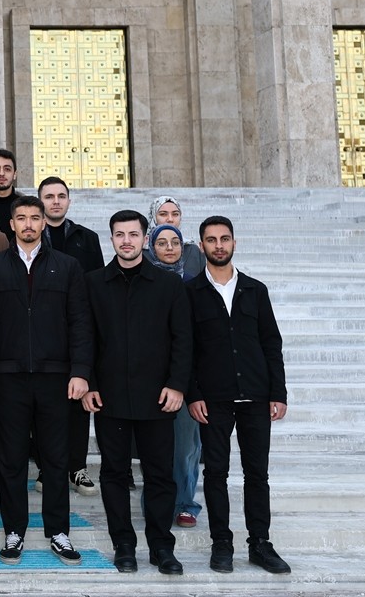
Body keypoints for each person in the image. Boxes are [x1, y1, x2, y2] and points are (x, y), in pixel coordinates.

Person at [0, 196, 91, 566]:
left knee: (56, 459)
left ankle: (58, 531)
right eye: (21, 218)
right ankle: (14, 532)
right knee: (10, 461)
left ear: (44, 223)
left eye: (34, 218)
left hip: (56, 378)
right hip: (8, 380)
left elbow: (80, 323)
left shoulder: (67, 266)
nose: (28, 224)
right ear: (10, 224)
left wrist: (80, 372)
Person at [83, 211, 191, 576]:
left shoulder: (168, 285)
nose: (126, 241)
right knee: (113, 474)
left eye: (133, 234)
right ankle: (124, 546)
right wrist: (89, 383)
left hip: (158, 397)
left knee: (160, 475)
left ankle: (162, 546)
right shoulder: (94, 283)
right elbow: (86, 339)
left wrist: (177, 385)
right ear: (111, 240)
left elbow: (183, 340)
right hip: (110, 397)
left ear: (145, 239)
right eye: (119, 235)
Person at [187, 216, 291, 575]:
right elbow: (185, 349)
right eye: (211, 240)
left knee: (257, 474)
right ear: (200, 246)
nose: (219, 245)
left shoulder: (255, 290)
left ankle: (260, 544)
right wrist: (193, 394)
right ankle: (221, 544)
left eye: (225, 239)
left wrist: (278, 392)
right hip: (213, 400)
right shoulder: (190, 292)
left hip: (257, 397)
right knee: (215, 473)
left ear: (234, 243)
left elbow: (270, 343)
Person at [38, 176, 105, 497]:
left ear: (68, 200)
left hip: (78, 330)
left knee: (78, 404)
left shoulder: (86, 239)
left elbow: (99, 285)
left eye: (60, 196)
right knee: (45, 405)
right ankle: (46, 466)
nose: (55, 201)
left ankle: (77, 467)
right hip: (43, 333)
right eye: (49, 196)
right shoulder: (32, 239)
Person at [146, 222, 204, 530]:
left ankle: (185, 502)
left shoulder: (197, 284)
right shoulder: (143, 281)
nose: (169, 248)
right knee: (156, 448)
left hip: (185, 380)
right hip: (149, 379)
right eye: (162, 243)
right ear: (151, 247)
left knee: (185, 447)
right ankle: (160, 501)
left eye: (175, 243)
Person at [146, 196, 205, 280]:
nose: (170, 219)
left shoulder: (193, 250)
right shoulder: (142, 252)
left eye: (175, 214)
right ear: (154, 217)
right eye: (163, 214)